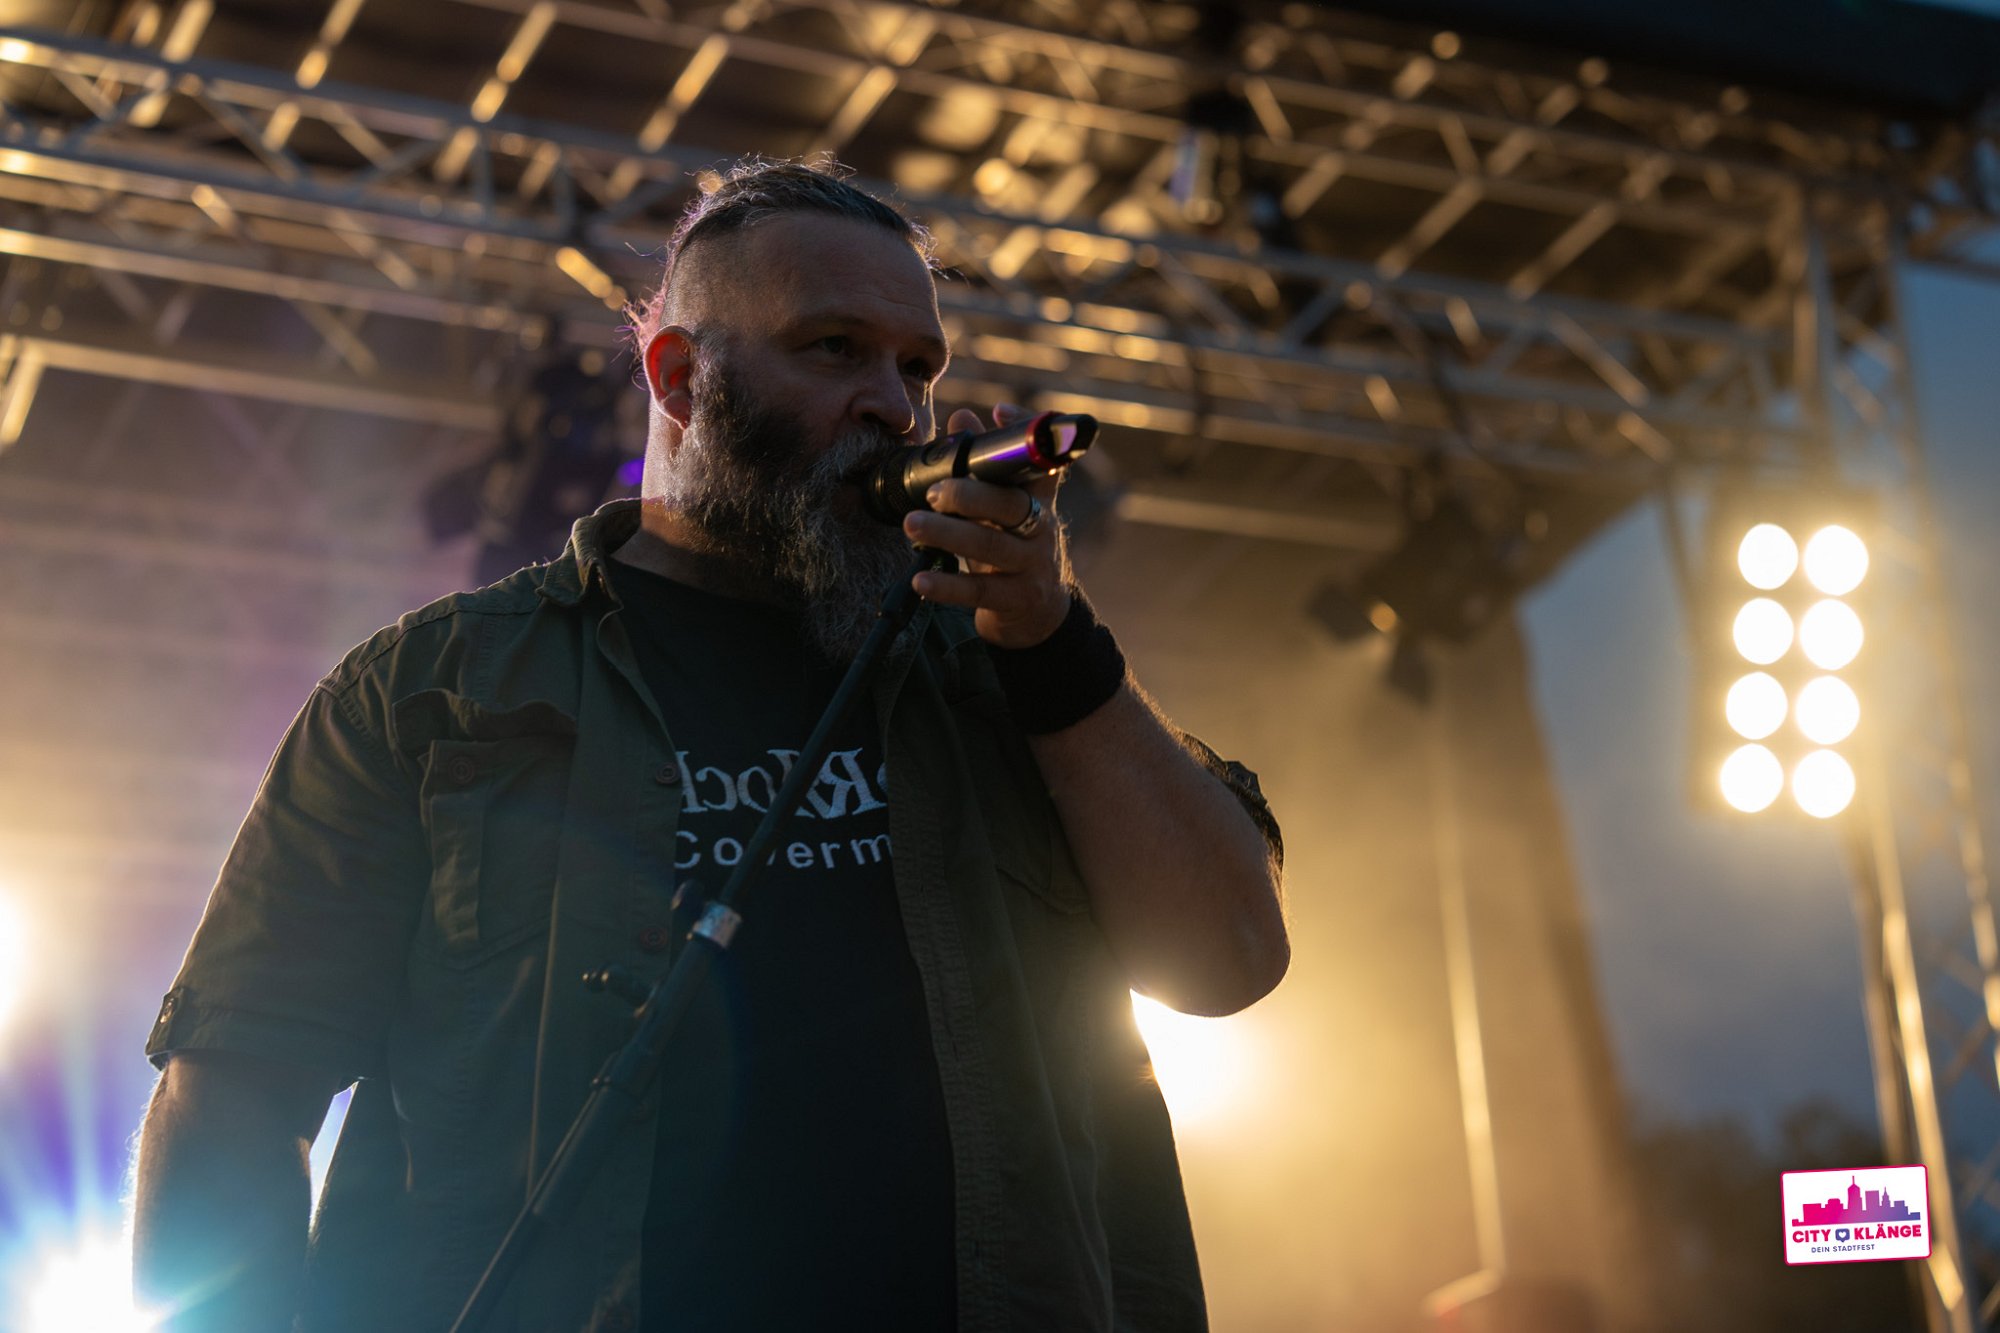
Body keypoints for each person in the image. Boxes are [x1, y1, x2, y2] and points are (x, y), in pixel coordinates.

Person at [132, 158, 1288, 1333]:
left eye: (916, 367)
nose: (895, 408)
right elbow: (234, 1096)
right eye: (834, 349)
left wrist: (1051, 638)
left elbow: (1228, 956)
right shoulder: (430, 695)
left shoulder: (1007, 673)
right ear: (680, 378)